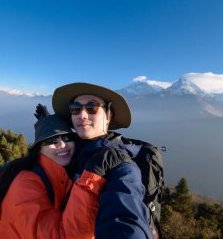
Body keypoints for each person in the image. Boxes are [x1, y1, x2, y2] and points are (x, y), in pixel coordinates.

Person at [0, 104, 130, 239]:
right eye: (51, 141)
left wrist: (48, 123)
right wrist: (93, 175)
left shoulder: (58, 174)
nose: (62, 145)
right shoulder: (26, 183)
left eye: (67, 137)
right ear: (39, 149)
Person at [53, 82, 159, 239]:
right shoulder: (73, 147)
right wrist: (47, 127)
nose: (82, 115)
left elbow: (125, 217)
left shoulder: (119, 162)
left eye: (91, 108)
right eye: (75, 108)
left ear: (108, 116)